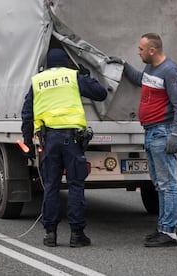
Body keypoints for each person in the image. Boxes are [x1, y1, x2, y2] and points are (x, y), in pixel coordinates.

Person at [108, 33, 177, 247]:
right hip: (151, 132)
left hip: (163, 132)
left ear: (152, 50)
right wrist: (124, 65)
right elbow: (140, 81)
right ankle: (162, 228)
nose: (138, 51)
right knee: (159, 184)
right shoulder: (152, 69)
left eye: (141, 49)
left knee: (168, 184)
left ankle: (169, 233)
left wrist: (175, 133)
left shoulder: (171, 71)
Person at [21, 48, 107, 247]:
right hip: (72, 141)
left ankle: (50, 234)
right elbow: (100, 94)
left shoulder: (38, 81)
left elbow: (27, 113)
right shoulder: (73, 76)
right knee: (76, 185)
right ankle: (77, 235)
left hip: (49, 141)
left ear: (48, 65)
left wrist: (27, 140)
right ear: (66, 63)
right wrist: (86, 76)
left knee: (51, 186)